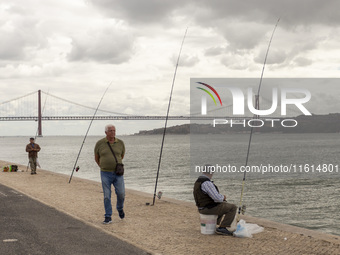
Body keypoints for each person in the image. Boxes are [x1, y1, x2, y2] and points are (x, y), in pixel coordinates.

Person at [94, 124, 125, 224]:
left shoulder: (120, 143)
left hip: (118, 173)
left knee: (121, 194)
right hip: (105, 173)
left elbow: (122, 155)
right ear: (106, 132)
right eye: (111, 130)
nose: (113, 132)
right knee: (107, 195)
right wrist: (103, 166)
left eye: (114, 130)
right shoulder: (100, 143)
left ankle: (120, 208)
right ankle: (108, 216)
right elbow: (96, 158)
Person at [193, 166, 237, 235]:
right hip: (208, 209)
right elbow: (217, 198)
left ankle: (215, 225)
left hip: (201, 208)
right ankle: (223, 228)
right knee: (232, 207)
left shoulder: (198, 181)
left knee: (223, 205)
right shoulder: (207, 183)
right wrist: (223, 197)